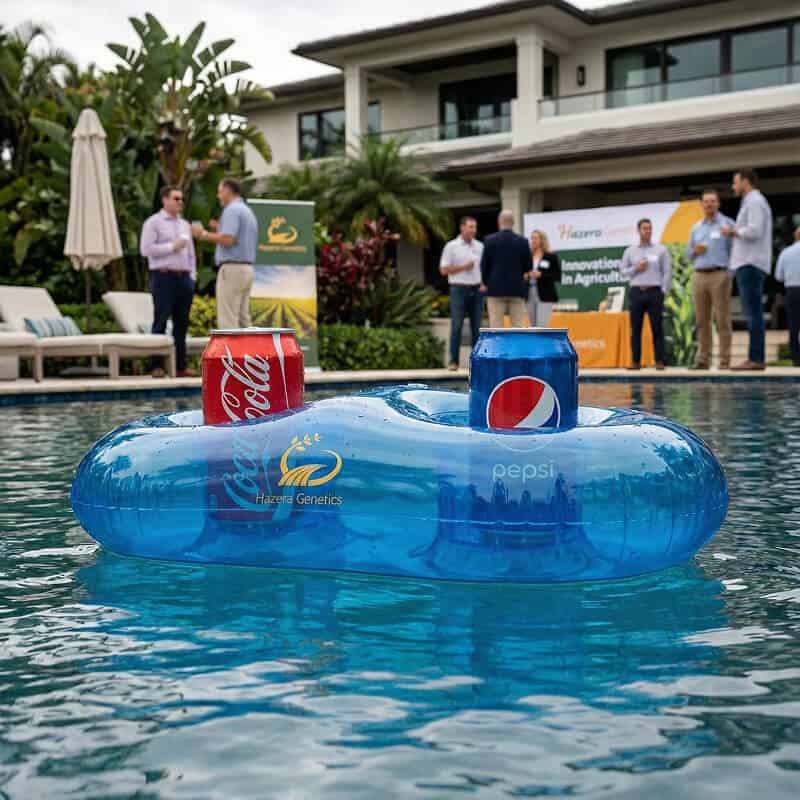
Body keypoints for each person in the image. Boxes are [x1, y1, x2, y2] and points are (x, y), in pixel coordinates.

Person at [139, 185, 197, 378]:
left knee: (182, 323)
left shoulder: (184, 225)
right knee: (160, 320)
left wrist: (192, 277)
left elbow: (191, 254)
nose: (180, 202)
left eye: (181, 199)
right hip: (163, 277)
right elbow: (145, 250)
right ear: (165, 200)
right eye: (176, 198)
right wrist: (172, 247)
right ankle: (157, 366)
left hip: (184, 278)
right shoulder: (153, 223)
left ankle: (180, 367)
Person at [721, 169, 773, 371]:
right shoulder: (752, 202)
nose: (733, 187)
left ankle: (756, 358)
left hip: (750, 263)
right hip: (747, 262)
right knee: (753, 312)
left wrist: (732, 231)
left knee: (753, 313)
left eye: (735, 183)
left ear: (746, 182)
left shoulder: (754, 201)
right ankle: (755, 357)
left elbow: (755, 230)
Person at [192, 177, 258, 329]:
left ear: (228, 191)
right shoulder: (246, 210)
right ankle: (247, 353)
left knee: (228, 320)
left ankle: (232, 353)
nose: (218, 196)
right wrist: (220, 228)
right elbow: (237, 236)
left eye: (220, 192)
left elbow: (228, 239)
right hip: (246, 270)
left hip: (232, 269)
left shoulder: (232, 210)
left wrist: (202, 234)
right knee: (243, 320)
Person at [685, 189, 734, 370]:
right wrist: (694, 251)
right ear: (702, 204)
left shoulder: (727, 224)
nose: (709, 204)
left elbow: (736, 250)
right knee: (701, 321)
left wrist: (730, 273)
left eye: (712, 201)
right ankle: (703, 360)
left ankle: (724, 361)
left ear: (718, 203)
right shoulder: (696, 227)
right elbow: (687, 254)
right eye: (706, 201)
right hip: (699, 274)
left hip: (719, 274)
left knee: (722, 320)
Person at [620, 218, 671, 370]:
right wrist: (636, 268)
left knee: (657, 328)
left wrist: (663, 291)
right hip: (637, 292)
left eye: (649, 228)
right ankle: (635, 362)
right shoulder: (630, 251)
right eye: (644, 228)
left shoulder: (661, 250)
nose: (647, 231)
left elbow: (667, 272)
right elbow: (623, 272)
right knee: (636, 329)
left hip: (655, 292)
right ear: (638, 230)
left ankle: (659, 361)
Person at [440, 216, 484, 371]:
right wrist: (463, 267)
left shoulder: (480, 246)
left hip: (477, 290)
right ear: (462, 227)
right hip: (458, 289)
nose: (473, 230)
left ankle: (477, 363)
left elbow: (484, 268)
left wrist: (484, 283)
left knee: (477, 327)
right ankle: (453, 361)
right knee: (457, 326)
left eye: (475, 227)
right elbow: (444, 270)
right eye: (470, 227)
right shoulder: (451, 246)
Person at [480, 210, 532, 328]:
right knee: (518, 327)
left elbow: (484, 266)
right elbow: (528, 266)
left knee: (496, 327)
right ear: (513, 222)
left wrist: (487, 282)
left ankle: (498, 347)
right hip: (517, 289)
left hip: (495, 290)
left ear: (499, 222)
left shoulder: (489, 240)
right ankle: (517, 347)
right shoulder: (522, 241)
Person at [526, 229, 561, 327]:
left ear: (542, 240)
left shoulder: (551, 257)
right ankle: (535, 343)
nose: (533, 240)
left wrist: (541, 275)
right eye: (532, 238)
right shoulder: (527, 257)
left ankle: (542, 342)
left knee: (542, 326)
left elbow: (557, 276)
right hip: (529, 293)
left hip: (545, 294)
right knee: (533, 326)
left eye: (536, 238)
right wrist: (526, 275)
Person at [776, 227, 800, 366]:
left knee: (794, 325)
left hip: (792, 290)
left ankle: (796, 358)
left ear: (795, 236)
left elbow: (779, 276)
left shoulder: (786, 252)